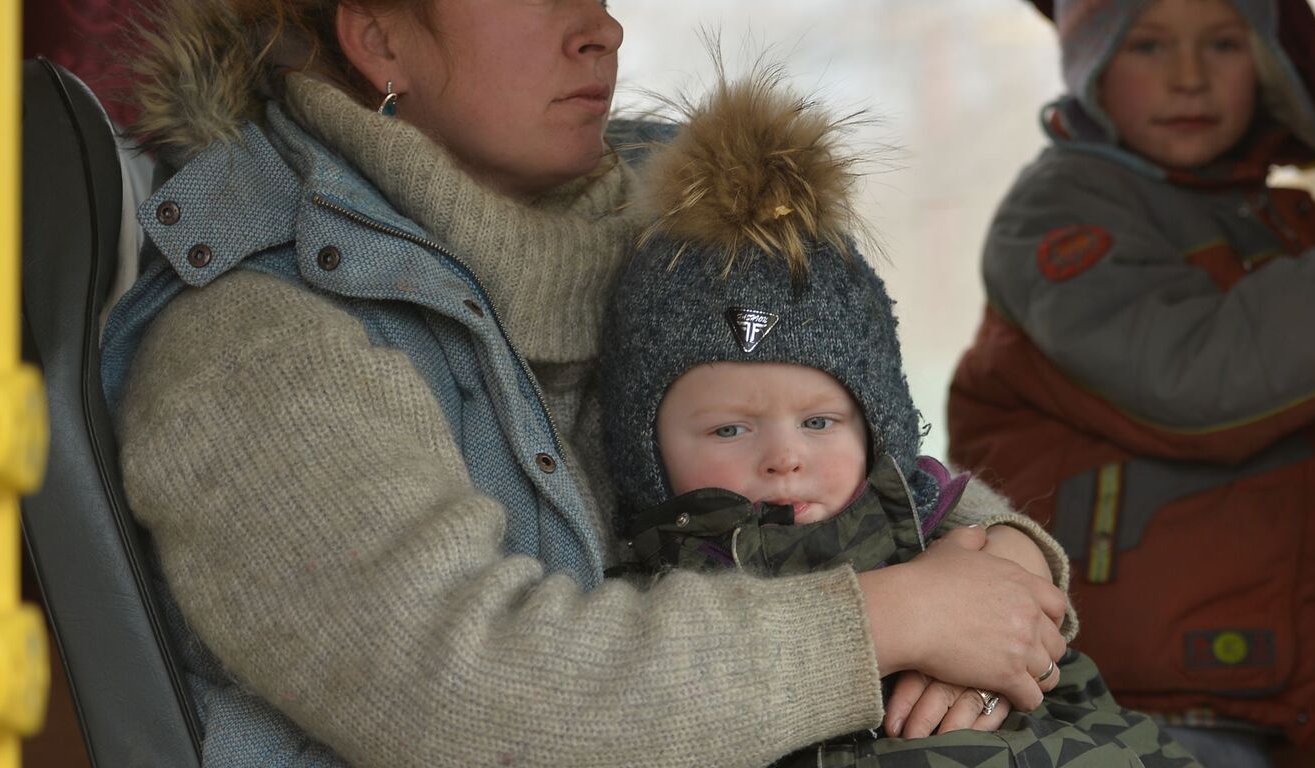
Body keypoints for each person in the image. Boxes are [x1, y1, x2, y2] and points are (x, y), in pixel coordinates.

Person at [103, 1, 1074, 765]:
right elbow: (470, 698)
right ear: (377, 38)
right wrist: (896, 621)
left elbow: (866, 460)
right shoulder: (258, 346)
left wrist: (1004, 583)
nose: (601, 28)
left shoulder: (680, 239)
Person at [594, 68, 1201, 767]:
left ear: (876, 427)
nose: (785, 457)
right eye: (730, 429)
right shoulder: (652, 604)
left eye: (820, 422)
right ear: (643, 449)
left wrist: (1015, 559)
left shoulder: (932, 527)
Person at [946, 0, 1315, 764]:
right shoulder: (1058, 210)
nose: (1190, 78)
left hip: (1267, 692)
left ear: (1266, 62)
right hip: (1115, 695)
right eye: (1148, 46)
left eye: (1223, 43)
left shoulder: (1277, 221)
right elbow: (1191, 379)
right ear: (1090, 68)